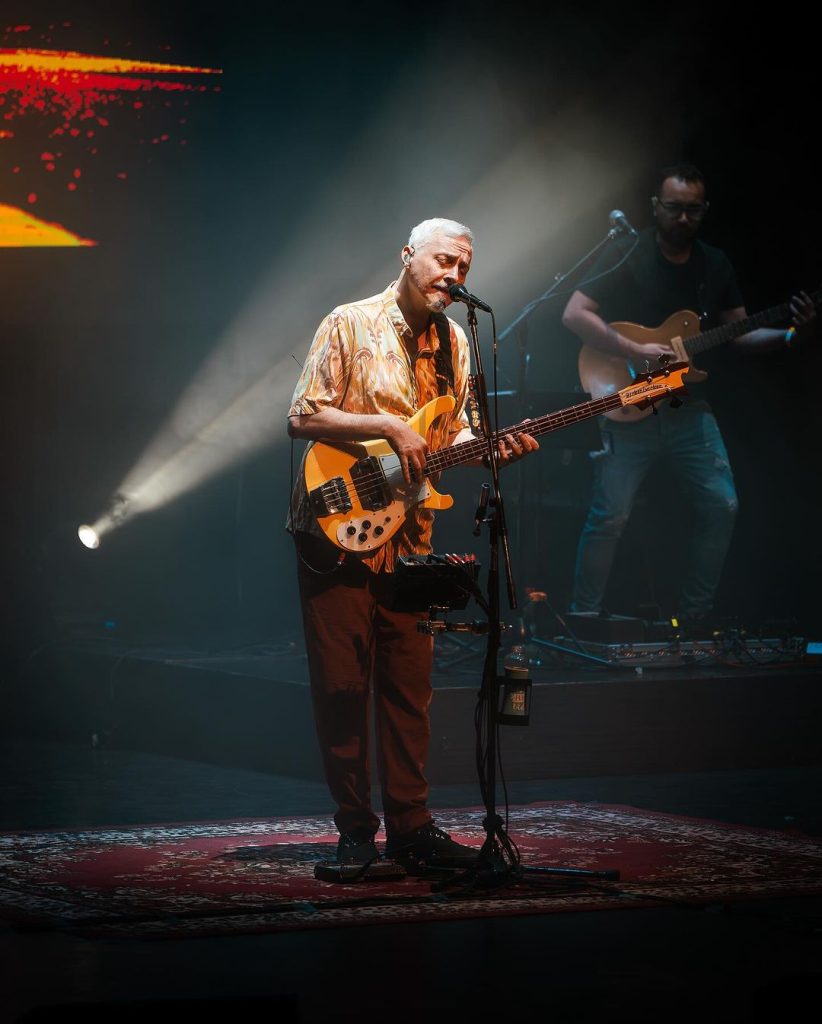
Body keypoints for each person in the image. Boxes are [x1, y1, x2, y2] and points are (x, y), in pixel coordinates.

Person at [287, 218, 538, 868]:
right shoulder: (349, 322)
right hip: (336, 525)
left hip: (410, 537)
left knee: (409, 690)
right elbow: (302, 414)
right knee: (342, 689)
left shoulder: (457, 340)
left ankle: (411, 826)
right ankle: (354, 831)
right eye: (445, 260)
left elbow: (458, 435)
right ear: (407, 256)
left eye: (464, 267)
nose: (455, 276)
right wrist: (391, 428)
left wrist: (491, 451)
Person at [563, 164, 815, 625]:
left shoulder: (714, 265)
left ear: (704, 210)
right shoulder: (627, 251)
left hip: (688, 409)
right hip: (632, 401)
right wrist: (636, 349)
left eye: (693, 210)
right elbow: (575, 314)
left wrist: (790, 335)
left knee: (723, 505)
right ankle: (582, 618)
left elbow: (738, 333)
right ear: (656, 206)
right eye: (674, 208)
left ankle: (694, 621)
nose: (683, 218)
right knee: (610, 515)